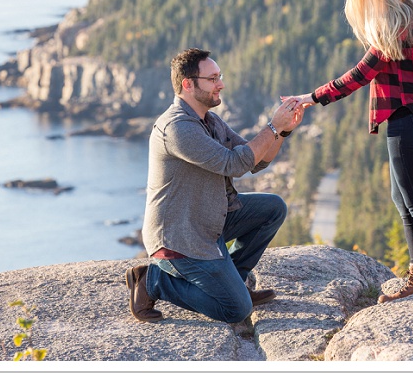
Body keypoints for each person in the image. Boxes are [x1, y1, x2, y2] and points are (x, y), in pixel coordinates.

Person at [283, 0, 413, 304]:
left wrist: (311, 98)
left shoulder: (394, 23)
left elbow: (358, 76)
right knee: (403, 199)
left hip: (407, 119)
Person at [126, 47, 304, 324]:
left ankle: (235, 280)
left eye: (219, 76)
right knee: (235, 310)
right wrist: (271, 126)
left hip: (208, 221)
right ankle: (152, 280)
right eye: (212, 78)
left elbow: (256, 160)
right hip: (179, 238)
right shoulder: (177, 127)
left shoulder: (209, 120)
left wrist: (282, 130)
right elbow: (233, 164)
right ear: (188, 84)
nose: (220, 84)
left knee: (273, 208)